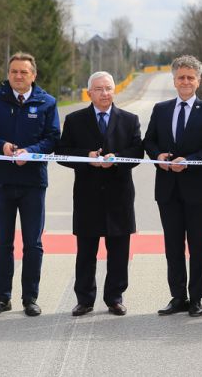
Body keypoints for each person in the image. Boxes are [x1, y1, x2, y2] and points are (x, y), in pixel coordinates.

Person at [0, 52, 60, 317]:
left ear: (33, 75)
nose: (18, 76)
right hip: (0, 182)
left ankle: (30, 298)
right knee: (2, 242)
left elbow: (53, 138)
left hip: (33, 183)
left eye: (24, 72)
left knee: (32, 243)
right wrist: (0, 146)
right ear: (8, 74)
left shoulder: (47, 102)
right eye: (14, 72)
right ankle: (3, 297)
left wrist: (31, 152)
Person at [57, 71, 143, 316]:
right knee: (86, 253)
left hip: (119, 196)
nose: (104, 93)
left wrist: (116, 161)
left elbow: (137, 152)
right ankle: (84, 299)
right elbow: (62, 152)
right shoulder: (74, 120)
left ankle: (114, 297)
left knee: (118, 252)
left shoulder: (129, 119)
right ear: (89, 93)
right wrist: (87, 158)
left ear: (114, 91)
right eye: (99, 89)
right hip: (87, 196)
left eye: (108, 88)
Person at [143, 55, 202, 317]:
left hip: (197, 190)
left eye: (190, 77)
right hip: (167, 190)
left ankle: (196, 297)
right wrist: (159, 157)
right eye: (181, 77)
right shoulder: (161, 109)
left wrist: (189, 161)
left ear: (198, 81)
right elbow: (149, 142)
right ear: (174, 80)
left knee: (198, 246)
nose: (185, 81)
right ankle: (178, 296)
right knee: (173, 246)